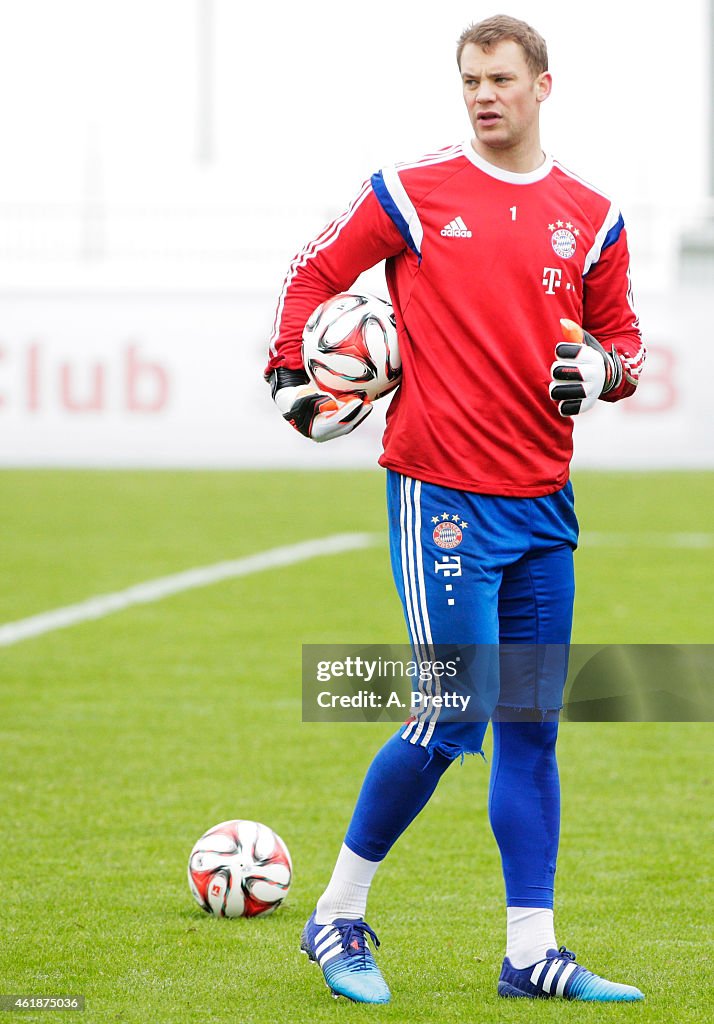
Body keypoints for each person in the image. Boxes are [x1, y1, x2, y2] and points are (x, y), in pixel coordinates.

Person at [265, 14, 646, 1005]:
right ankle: (334, 914)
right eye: (471, 78)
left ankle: (531, 951)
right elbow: (314, 272)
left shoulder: (592, 216)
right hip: (442, 496)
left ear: (543, 87)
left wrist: (598, 369)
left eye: (502, 79)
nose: (483, 94)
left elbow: (625, 350)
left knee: (532, 726)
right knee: (456, 707)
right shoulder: (411, 190)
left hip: (543, 505)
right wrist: (285, 377)